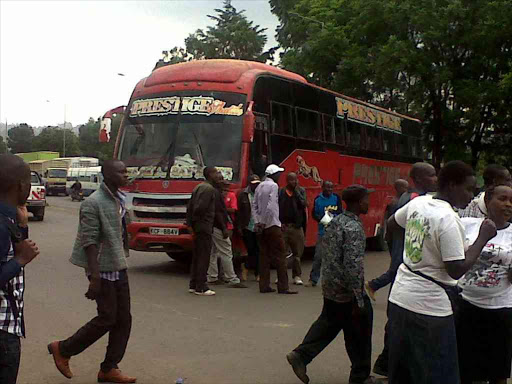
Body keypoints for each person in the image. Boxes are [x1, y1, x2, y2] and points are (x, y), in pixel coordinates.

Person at [386, 160, 497, 384]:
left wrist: (412, 254)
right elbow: (456, 269)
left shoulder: (420, 203)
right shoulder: (447, 219)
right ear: (452, 185)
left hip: (400, 298)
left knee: (404, 373)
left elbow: (392, 225)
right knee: (439, 374)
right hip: (430, 310)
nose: (471, 196)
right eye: (468, 189)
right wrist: (483, 238)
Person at [48, 160, 136, 383]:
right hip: (102, 269)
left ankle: (109, 368)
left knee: (123, 319)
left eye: (126, 171)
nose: (125, 175)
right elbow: (89, 241)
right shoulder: (93, 203)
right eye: (120, 172)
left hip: (118, 265)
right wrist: (94, 277)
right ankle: (63, 349)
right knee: (107, 318)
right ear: (106, 175)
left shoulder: (119, 198)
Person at [287, 185, 378, 384]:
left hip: (331, 287)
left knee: (329, 323)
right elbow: (352, 264)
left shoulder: (337, 221)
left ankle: (301, 355)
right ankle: (360, 376)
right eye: (365, 199)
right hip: (346, 290)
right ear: (357, 202)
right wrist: (358, 297)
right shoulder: (353, 227)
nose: (368, 203)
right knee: (360, 329)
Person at [366, 162, 437, 377]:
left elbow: (390, 227)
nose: (435, 179)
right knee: (398, 318)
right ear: (418, 179)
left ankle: (389, 362)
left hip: (401, 257)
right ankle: (388, 362)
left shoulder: (408, 199)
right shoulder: (416, 200)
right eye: (431, 175)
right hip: (405, 261)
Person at [457, 183, 512, 384]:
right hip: (466, 306)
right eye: (502, 198)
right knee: (466, 369)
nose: (508, 205)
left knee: (498, 373)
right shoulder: (466, 224)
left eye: (511, 201)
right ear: (487, 201)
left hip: (501, 311)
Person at [0, 154, 40, 384]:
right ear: (22, 186)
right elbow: (13, 259)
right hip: (2, 332)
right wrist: (20, 261)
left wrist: (22, 228)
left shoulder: (9, 218)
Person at [253, 164, 298, 295]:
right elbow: (271, 207)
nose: (280, 176)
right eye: (278, 174)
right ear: (274, 175)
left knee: (264, 256)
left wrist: (258, 222)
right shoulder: (273, 186)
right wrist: (265, 222)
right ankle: (283, 287)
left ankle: (264, 285)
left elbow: (254, 206)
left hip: (261, 226)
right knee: (280, 256)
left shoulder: (260, 185)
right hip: (272, 225)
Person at [186, 166, 222, 296]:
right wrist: (197, 224)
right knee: (203, 256)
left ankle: (194, 284)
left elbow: (189, 207)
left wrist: (191, 224)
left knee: (197, 256)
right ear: (210, 174)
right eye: (216, 173)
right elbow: (199, 209)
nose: (219, 175)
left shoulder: (199, 187)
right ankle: (201, 286)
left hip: (198, 226)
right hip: (204, 227)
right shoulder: (208, 189)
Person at [206, 178, 247, 289]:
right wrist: (224, 228)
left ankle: (212, 276)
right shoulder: (217, 195)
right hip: (220, 226)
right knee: (227, 251)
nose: (226, 187)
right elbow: (219, 212)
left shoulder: (212, 192)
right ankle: (231, 278)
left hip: (212, 226)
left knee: (213, 252)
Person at [306, 180, 342, 287]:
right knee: (318, 256)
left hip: (335, 232)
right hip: (322, 232)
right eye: (327, 187)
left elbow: (340, 212)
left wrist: (333, 218)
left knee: (334, 258)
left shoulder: (336, 198)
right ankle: (313, 279)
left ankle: (334, 281)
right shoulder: (318, 199)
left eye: (331, 188)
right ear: (322, 188)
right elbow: (314, 213)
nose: (330, 190)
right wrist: (322, 220)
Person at [279, 172, 308, 285]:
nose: (294, 182)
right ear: (287, 181)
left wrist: (296, 192)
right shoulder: (281, 191)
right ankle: (281, 276)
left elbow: (304, 204)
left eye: (295, 180)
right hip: (284, 226)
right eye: (291, 180)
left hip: (297, 227)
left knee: (297, 254)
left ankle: (297, 276)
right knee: (282, 253)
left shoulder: (301, 191)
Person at [236, 174, 261, 281]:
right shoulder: (243, 195)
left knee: (259, 250)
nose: (256, 186)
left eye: (258, 184)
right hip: (247, 226)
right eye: (254, 184)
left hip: (259, 226)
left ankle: (257, 273)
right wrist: (239, 227)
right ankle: (246, 268)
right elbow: (238, 212)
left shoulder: (261, 194)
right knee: (251, 250)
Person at [383, 179, 409, 252]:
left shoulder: (399, 201)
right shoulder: (395, 203)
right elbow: (390, 219)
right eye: (405, 188)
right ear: (399, 188)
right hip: (396, 234)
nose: (407, 190)